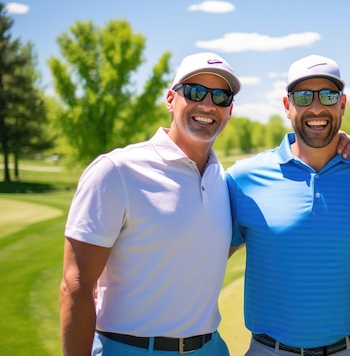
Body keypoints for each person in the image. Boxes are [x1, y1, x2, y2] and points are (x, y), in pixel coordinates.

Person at [59, 52, 241, 356]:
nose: (208, 104)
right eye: (195, 92)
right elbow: (75, 284)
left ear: (230, 111)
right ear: (171, 99)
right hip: (130, 349)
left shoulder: (225, 182)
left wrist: (340, 143)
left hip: (211, 348)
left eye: (221, 97)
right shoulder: (116, 170)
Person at [227, 54, 350, 356]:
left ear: (342, 105)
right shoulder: (242, 178)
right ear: (287, 106)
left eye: (328, 95)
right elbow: (206, 261)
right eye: (304, 96)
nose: (317, 107)